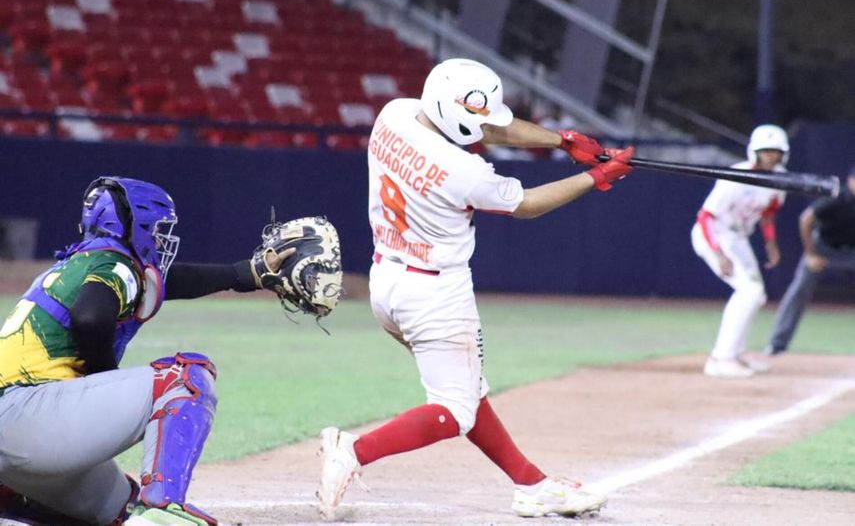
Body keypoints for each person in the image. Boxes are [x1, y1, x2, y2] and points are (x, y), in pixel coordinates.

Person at [316, 58, 634, 519]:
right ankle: (353, 450)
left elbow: (480, 127)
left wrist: (561, 141)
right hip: (435, 294)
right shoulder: (464, 171)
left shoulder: (396, 114)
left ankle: (532, 484)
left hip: (387, 280)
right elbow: (525, 204)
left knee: (466, 389)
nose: (486, 127)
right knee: (455, 411)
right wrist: (595, 177)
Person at [0, 176, 294, 526]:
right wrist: (105, 380)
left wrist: (244, 274)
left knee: (121, 510)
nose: (160, 238)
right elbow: (91, 317)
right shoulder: (115, 261)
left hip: (19, 433)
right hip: (25, 417)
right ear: (132, 225)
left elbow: (164, 282)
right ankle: (164, 509)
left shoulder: (85, 263)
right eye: (155, 228)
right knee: (185, 378)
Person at [690, 124, 789, 378]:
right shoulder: (737, 176)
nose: (771, 156)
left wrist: (770, 242)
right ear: (754, 151)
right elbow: (706, 216)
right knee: (750, 291)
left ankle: (736, 353)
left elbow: (767, 213)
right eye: (766, 151)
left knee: (756, 294)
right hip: (715, 234)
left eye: (775, 152)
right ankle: (720, 358)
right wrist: (719, 253)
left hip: (739, 237)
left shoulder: (779, 179)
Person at [765, 164, 855, 355]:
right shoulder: (838, 198)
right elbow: (806, 219)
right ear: (850, 180)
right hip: (823, 249)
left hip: (852, 252)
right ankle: (776, 344)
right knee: (799, 290)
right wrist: (811, 254)